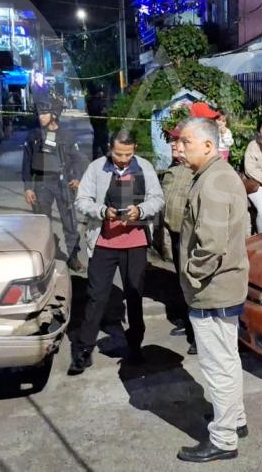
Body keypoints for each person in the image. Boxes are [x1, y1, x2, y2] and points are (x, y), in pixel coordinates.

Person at [176, 116, 250, 463]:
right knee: (227, 359)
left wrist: (191, 275)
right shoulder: (215, 175)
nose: (179, 148)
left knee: (218, 366)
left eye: (186, 142)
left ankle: (223, 439)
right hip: (222, 285)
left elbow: (211, 244)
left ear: (208, 145)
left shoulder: (213, 181)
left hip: (213, 288)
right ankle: (234, 420)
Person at [70, 130, 164, 375]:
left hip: (135, 243)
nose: (123, 159)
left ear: (134, 150)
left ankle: (135, 346)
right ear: (110, 149)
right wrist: (102, 211)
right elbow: (82, 200)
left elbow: (157, 199)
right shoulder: (96, 168)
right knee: (96, 296)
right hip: (104, 243)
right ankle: (83, 349)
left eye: (128, 154)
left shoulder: (144, 167)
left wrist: (140, 211)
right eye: (118, 154)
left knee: (134, 294)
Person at [21, 102, 86, 269]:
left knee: (70, 222)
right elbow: (26, 163)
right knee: (41, 222)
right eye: (39, 114)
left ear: (54, 115)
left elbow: (77, 159)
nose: (40, 117)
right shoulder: (34, 136)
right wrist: (28, 187)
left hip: (63, 182)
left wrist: (77, 178)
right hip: (41, 183)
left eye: (44, 113)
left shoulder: (66, 136)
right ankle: (46, 256)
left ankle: (73, 256)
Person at [159, 125, 196, 355]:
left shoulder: (196, 171)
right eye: (172, 140)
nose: (173, 144)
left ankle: (197, 335)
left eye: (178, 141)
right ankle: (187, 320)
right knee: (181, 280)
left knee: (193, 282)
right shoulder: (173, 169)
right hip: (175, 233)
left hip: (190, 236)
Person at [87, 86, 110, 159]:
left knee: (96, 142)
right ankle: (106, 156)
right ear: (99, 93)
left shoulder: (90, 102)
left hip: (94, 124)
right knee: (103, 142)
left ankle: (95, 157)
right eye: (101, 92)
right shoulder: (100, 102)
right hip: (101, 124)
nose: (103, 93)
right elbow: (104, 112)